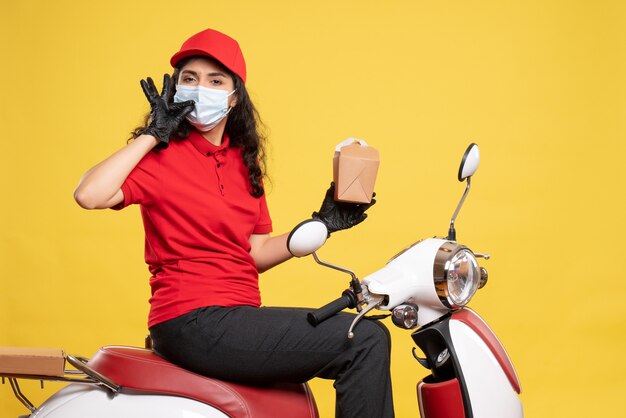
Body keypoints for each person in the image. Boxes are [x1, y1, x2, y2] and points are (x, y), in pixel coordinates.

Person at [74, 28, 394, 418]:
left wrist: (322, 224)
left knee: (362, 332)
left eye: (215, 80)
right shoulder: (160, 158)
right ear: (174, 89)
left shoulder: (245, 161)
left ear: (234, 95)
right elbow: (89, 195)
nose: (200, 88)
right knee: (364, 339)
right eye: (188, 79)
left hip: (236, 317)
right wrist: (152, 136)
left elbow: (254, 252)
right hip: (190, 319)